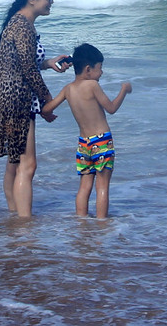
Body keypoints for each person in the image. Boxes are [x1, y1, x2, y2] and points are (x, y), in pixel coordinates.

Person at [0, 0, 72, 218]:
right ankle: (24, 225)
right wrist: (48, 102)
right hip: (17, 100)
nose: (51, 1)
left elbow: (24, 63)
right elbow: (28, 70)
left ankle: (14, 216)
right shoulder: (23, 26)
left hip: (7, 98)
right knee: (28, 164)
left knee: (15, 162)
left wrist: (48, 62)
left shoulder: (18, 22)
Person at [42, 43, 132, 219]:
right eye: (100, 68)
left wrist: (48, 114)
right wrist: (124, 90)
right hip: (102, 142)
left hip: (83, 144)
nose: (102, 73)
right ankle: (101, 224)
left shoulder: (68, 89)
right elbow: (111, 108)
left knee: (84, 186)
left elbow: (46, 109)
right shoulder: (92, 85)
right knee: (102, 186)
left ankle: (81, 223)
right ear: (89, 69)